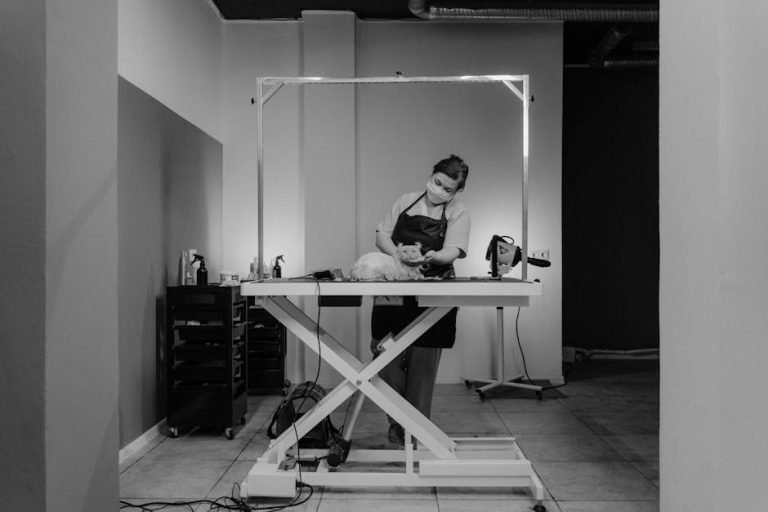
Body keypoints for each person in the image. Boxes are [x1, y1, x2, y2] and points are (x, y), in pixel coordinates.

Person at [370, 154, 471, 445]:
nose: (439, 190)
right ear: (431, 176)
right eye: (437, 182)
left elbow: (454, 250)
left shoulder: (458, 212)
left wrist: (433, 257)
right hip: (394, 287)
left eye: (448, 188)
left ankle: (415, 431)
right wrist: (399, 255)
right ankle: (401, 420)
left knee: (423, 364)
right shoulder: (406, 201)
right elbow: (381, 234)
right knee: (383, 354)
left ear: (457, 191)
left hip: (434, 289)